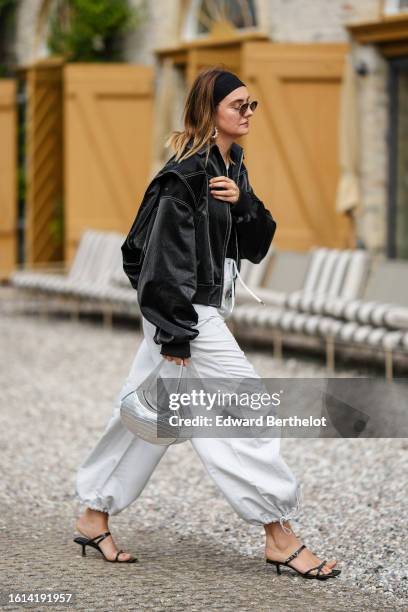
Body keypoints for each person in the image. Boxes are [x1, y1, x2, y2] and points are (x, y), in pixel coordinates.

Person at [73, 67, 340, 580]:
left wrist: (243, 204)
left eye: (252, 104)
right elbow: (149, 258)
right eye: (238, 105)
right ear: (209, 111)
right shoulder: (186, 175)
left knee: (149, 414)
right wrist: (174, 330)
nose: (248, 113)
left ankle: (93, 514)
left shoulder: (230, 165)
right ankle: (278, 534)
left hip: (194, 312)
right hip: (187, 315)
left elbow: (256, 244)